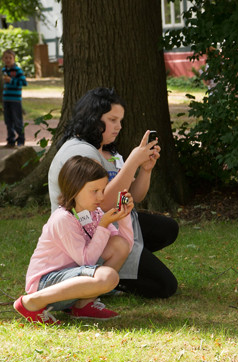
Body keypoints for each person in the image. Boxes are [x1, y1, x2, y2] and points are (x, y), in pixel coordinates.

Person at [48, 87, 179, 299]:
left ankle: (111, 273)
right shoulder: (79, 152)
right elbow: (103, 203)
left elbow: (133, 197)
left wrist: (145, 169)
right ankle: (99, 276)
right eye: (112, 120)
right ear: (92, 119)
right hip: (86, 235)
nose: (119, 126)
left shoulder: (107, 149)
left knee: (167, 229)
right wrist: (133, 161)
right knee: (165, 287)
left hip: (109, 224)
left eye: (120, 120)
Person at [14, 156, 134, 324]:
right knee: (108, 277)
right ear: (75, 189)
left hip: (70, 285)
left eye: (103, 189)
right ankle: (32, 302)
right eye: (94, 191)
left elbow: (125, 246)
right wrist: (103, 225)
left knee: (118, 246)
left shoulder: (95, 213)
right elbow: (87, 260)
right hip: (45, 284)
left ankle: (83, 305)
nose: (101, 197)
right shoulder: (63, 219)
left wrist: (124, 217)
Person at [2, 49, 27, 147]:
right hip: (6, 99)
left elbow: (24, 83)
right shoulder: (3, 70)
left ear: (14, 59)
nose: (8, 60)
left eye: (10, 58)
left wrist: (11, 81)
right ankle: (10, 140)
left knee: (17, 121)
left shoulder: (18, 70)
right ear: (3, 59)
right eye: (6, 58)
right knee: (8, 121)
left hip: (15, 100)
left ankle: (21, 140)